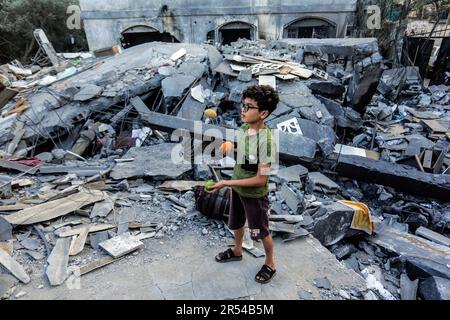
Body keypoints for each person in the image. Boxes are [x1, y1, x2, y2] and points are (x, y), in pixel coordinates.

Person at [207, 84, 279, 284]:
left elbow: (260, 179)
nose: (243, 110)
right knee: (236, 222)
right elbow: (246, 156)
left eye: (249, 107)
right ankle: (237, 250)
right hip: (237, 190)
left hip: (254, 196)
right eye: (243, 105)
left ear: (263, 113)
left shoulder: (267, 143)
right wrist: (231, 148)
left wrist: (226, 183)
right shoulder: (245, 127)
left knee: (260, 231)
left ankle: (270, 263)